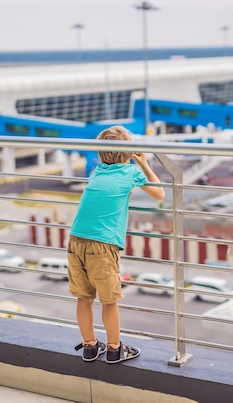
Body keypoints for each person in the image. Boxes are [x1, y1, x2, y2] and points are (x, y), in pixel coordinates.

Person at [68, 125, 165, 364]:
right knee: (109, 301)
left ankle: (90, 347)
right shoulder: (130, 172)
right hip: (103, 245)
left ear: (101, 153)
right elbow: (159, 195)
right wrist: (144, 164)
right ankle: (114, 349)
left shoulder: (97, 171)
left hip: (75, 240)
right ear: (129, 152)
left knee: (84, 297)